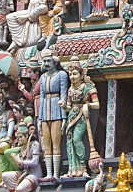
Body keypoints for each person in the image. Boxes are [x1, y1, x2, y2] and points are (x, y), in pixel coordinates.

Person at [61, 60, 99, 177]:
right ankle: (72, 170)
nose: (72, 77)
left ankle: (83, 167)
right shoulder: (70, 90)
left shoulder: (88, 88)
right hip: (72, 116)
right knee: (69, 142)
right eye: (70, 74)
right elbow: (68, 107)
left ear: (81, 75)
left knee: (77, 140)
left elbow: (97, 104)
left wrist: (87, 105)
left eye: (75, 74)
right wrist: (64, 106)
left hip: (82, 116)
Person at [37, 53, 69, 181]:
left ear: (55, 62)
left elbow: (63, 95)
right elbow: (42, 97)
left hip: (57, 110)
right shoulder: (43, 77)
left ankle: (56, 173)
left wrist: (64, 117)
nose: (46, 63)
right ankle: (49, 173)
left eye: (48, 60)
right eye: (44, 61)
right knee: (46, 144)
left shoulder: (62, 75)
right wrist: (40, 118)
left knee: (56, 144)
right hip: (45, 111)